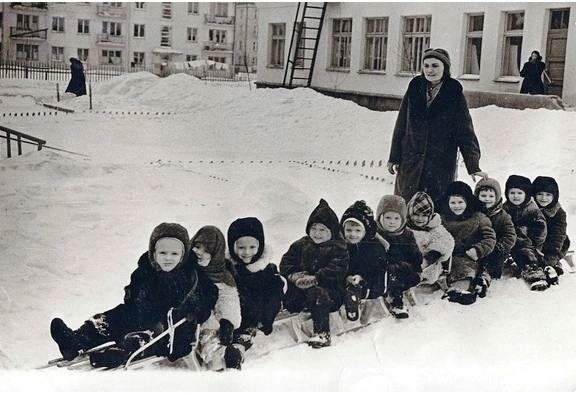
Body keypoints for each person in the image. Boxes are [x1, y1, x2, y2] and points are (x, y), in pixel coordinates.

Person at [49, 223, 218, 367]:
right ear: (153, 253)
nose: (168, 258)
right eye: (162, 253)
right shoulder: (145, 270)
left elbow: (210, 293)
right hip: (141, 314)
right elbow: (134, 290)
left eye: (174, 254)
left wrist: (197, 309)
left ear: (183, 255)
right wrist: (133, 298)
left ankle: (120, 354)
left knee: (144, 336)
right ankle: (76, 341)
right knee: (112, 318)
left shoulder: (191, 274)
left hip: (172, 328)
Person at [387, 48, 487, 204]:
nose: (429, 70)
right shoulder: (415, 87)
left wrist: (473, 165)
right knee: (405, 207)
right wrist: (394, 157)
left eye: (435, 65)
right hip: (411, 162)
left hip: (440, 165)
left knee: (435, 210)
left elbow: (465, 132)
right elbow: (401, 124)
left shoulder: (453, 92)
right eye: (426, 65)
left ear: (445, 68)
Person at [279, 199, 349, 348]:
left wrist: (316, 278)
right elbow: (286, 262)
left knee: (318, 294)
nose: (317, 233)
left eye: (322, 229)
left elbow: (337, 268)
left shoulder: (338, 247)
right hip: (302, 287)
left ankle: (322, 332)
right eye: (314, 228)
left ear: (332, 231)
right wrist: (294, 275)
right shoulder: (301, 244)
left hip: (330, 292)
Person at [226, 217, 286, 366]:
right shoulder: (228, 269)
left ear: (260, 246)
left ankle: (240, 345)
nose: (247, 252)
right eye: (241, 248)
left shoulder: (267, 269)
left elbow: (273, 297)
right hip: (233, 314)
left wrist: (265, 319)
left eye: (252, 247)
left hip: (256, 314)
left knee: (273, 286)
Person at [190, 225, 243, 369]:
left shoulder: (222, 276)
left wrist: (227, 321)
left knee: (212, 331)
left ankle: (222, 358)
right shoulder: (186, 267)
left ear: (216, 254)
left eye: (207, 250)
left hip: (207, 320)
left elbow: (227, 300)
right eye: (197, 246)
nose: (199, 253)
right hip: (184, 316)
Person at [438, 182, 496, 304]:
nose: (456, 206)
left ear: (468, 202)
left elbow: (490, 238)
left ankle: (462, 290)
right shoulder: (442, 219)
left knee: (465, 269)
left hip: (470, 255)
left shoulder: (478, 217)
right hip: (449, 255)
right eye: (453, 203)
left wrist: (478, 250)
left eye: (460, 202)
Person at [340, 200, 388, 321]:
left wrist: (361, 277)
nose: (352, 234)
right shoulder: (341, 245)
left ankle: (353, 302)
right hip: (347, 279)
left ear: (365, 231)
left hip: (368, 282)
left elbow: (376, 267)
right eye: (349, 230)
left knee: (365, 285)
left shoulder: (374, 246)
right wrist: (346, 277)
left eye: (357, 231)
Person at [375, 195, 422, 318]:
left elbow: (414, 253)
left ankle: (397, 303)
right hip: (382, 270)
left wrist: (417, 266)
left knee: (396, 274)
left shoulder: (407, 234)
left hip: (404, 270)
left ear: (403, 220)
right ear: (380, 217)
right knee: (389, 272)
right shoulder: (376, 234)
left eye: (396, 218)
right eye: (388, 217)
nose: (392, 222)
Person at [502, 175, 550, 291]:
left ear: (526, 194)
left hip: (527, 242)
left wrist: (536, 245)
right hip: (509, 240)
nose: (516, 196)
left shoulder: (532, 209)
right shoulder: (505, 207)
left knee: (526, 254)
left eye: (520, 193)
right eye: (512, 193)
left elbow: (541, 228)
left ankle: (534, 273)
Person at [406, 191, 454, 285]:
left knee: (428, 266)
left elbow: (448, 241)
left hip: (429, 261)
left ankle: (423, 278)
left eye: (424, 215)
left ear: (430, 215)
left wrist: (435, 251)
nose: (420, 219)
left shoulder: (435, 227)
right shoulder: (405, 227)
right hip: (409, 260)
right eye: (416, 214)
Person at [474, 178, 517, 279]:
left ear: (497, 197)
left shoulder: (503, 216)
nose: (487, 199)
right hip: (478, 247)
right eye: (483, 196)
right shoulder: (473, 213)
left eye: (491, 196)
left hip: (496, 249)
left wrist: (500, 246)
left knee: (493, 262)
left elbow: (510, 235)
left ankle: (486, 277)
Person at [532, 176, 570, 277]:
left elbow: (558, 234)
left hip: (553, 243)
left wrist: (552, 254)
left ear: (554, 196)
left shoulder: (558, 213)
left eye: (548, 194)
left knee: (549, 259)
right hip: (535, 242)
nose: (543, 198)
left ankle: (554, 265)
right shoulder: (530, 208)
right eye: (539, 194)